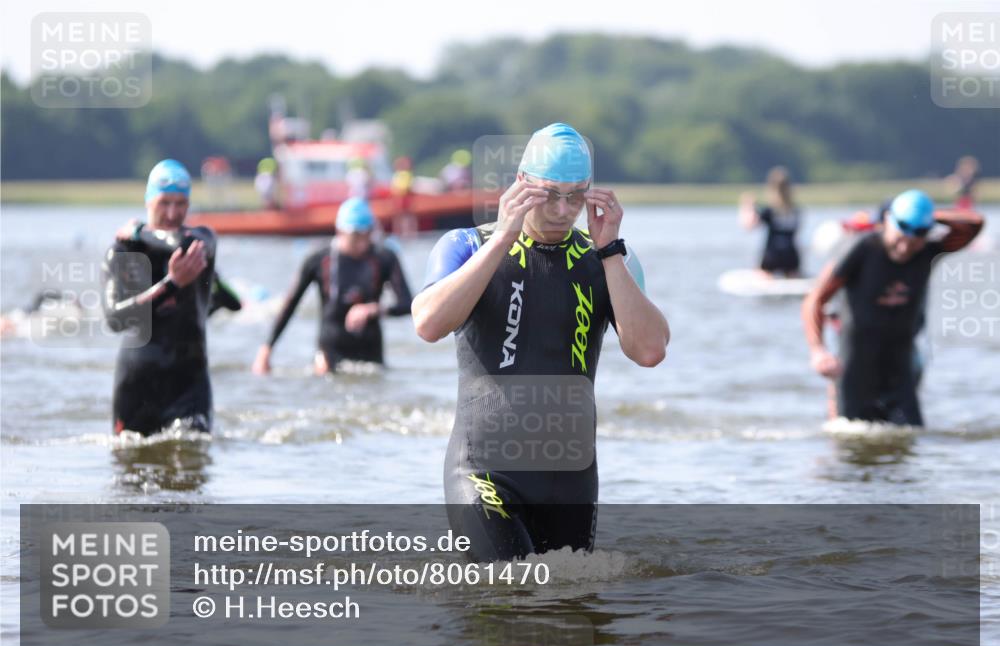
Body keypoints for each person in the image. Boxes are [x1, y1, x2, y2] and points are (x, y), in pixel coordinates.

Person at [412, 123, 669, 562]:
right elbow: (429, 324)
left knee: (568, 612)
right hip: (483, 472)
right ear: (521, 184)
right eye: (550, 193)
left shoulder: (608, 259)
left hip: (570, 479)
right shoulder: (467, 244)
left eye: (576, 195)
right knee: (507, 592)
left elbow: (649, 351)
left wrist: (610, 252)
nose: (563, 208)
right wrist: (505, 239)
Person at [802, 189, 984, 426]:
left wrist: (927, 216)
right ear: (887, 219)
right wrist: (818, 350)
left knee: (911, 440)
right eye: (903, 228)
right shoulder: (860, 249)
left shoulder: (928, 251)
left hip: (900, 370)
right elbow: (814, 300)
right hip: (856, 368)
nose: (907, 242)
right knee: (849, 441)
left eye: (919, 232)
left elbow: (975, 224)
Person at [103, 159, 238, 436]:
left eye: (181, 204)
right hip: (136, 386)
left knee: (191, 462)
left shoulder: (200, 243)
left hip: (189, 385)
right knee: (131, 473)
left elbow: (179, 242)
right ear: (148, 202)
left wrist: (142, 231)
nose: (173, 213)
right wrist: (172, 284)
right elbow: (115, 320)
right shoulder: (124, 251)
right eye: (164, 203)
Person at [252, 197, 414, 375]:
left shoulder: (384, 257)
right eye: (355, 237)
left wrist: (373, 309)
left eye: (366, 235)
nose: (361, 243)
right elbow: (290, 304)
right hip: (329, 354)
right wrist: (267, 348)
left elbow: (409, 304)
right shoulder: (319, 259)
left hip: (370, 357)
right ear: (340, 231)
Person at [740, 166, 802, 277]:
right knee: (793, 276)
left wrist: (748, 206)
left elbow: (749, 225)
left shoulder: (770, 211)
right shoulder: (796, 211)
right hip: (792, 257)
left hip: (772, 257)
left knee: (763, 275)